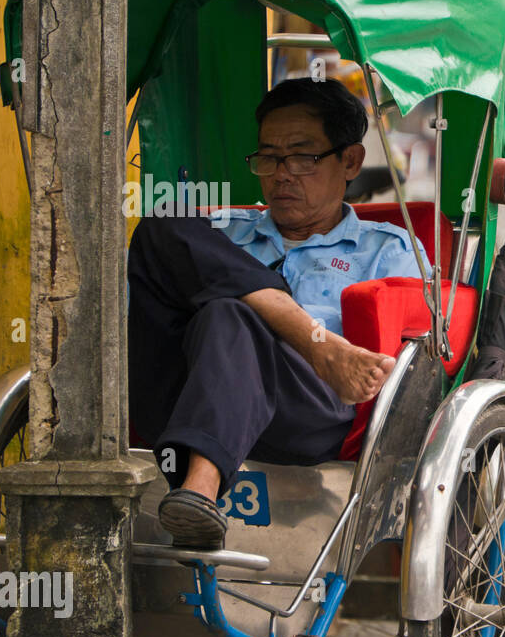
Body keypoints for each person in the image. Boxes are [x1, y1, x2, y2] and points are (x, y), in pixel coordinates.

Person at [128, 77, 428, 550]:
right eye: (268, 157)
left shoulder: (387, 250)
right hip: (191, 396)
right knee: (163, 221)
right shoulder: (223, 231)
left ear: (350, 161)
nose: (282, 173)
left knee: (229, 313)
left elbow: (411, 366)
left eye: (304, 157)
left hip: (307, 411)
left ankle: (200, 487)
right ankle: (311, 339)